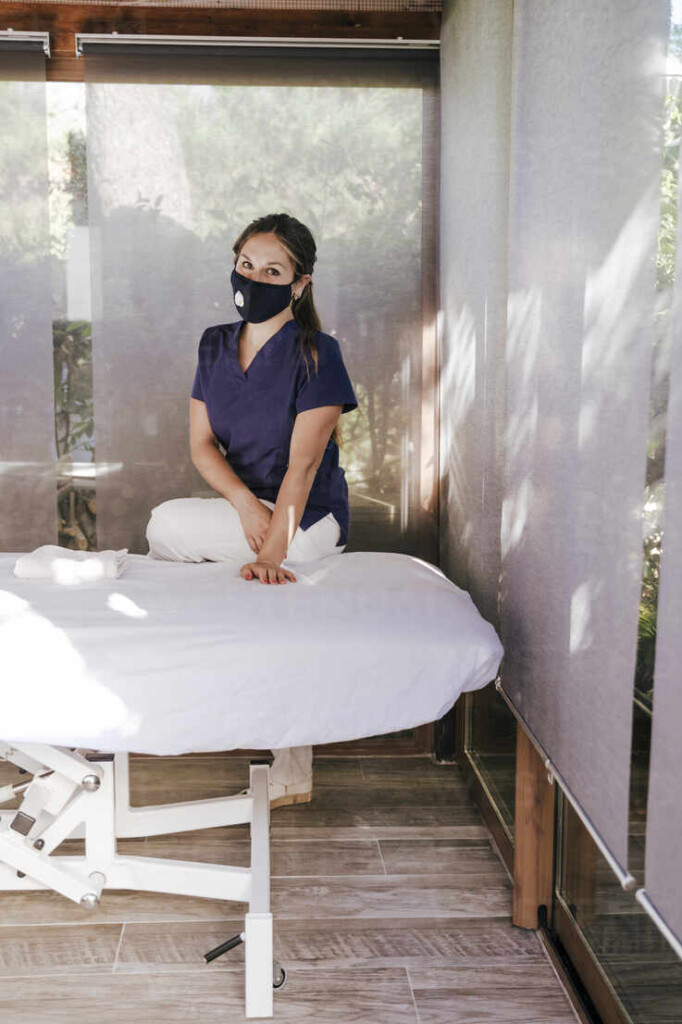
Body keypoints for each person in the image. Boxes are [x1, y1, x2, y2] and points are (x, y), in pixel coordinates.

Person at [145, 212, 358, 808]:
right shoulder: (214, 343)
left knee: (176, 536)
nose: (254, 279)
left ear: (299, 284)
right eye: (247, 265)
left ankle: (286, 754)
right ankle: (204, 702)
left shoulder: (319, 353)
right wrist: (243, 507)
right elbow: (201, 445)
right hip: (248, 511)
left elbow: (304, 467)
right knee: (170, 531)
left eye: (273, 270)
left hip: (306, 518)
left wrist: (271, 550)